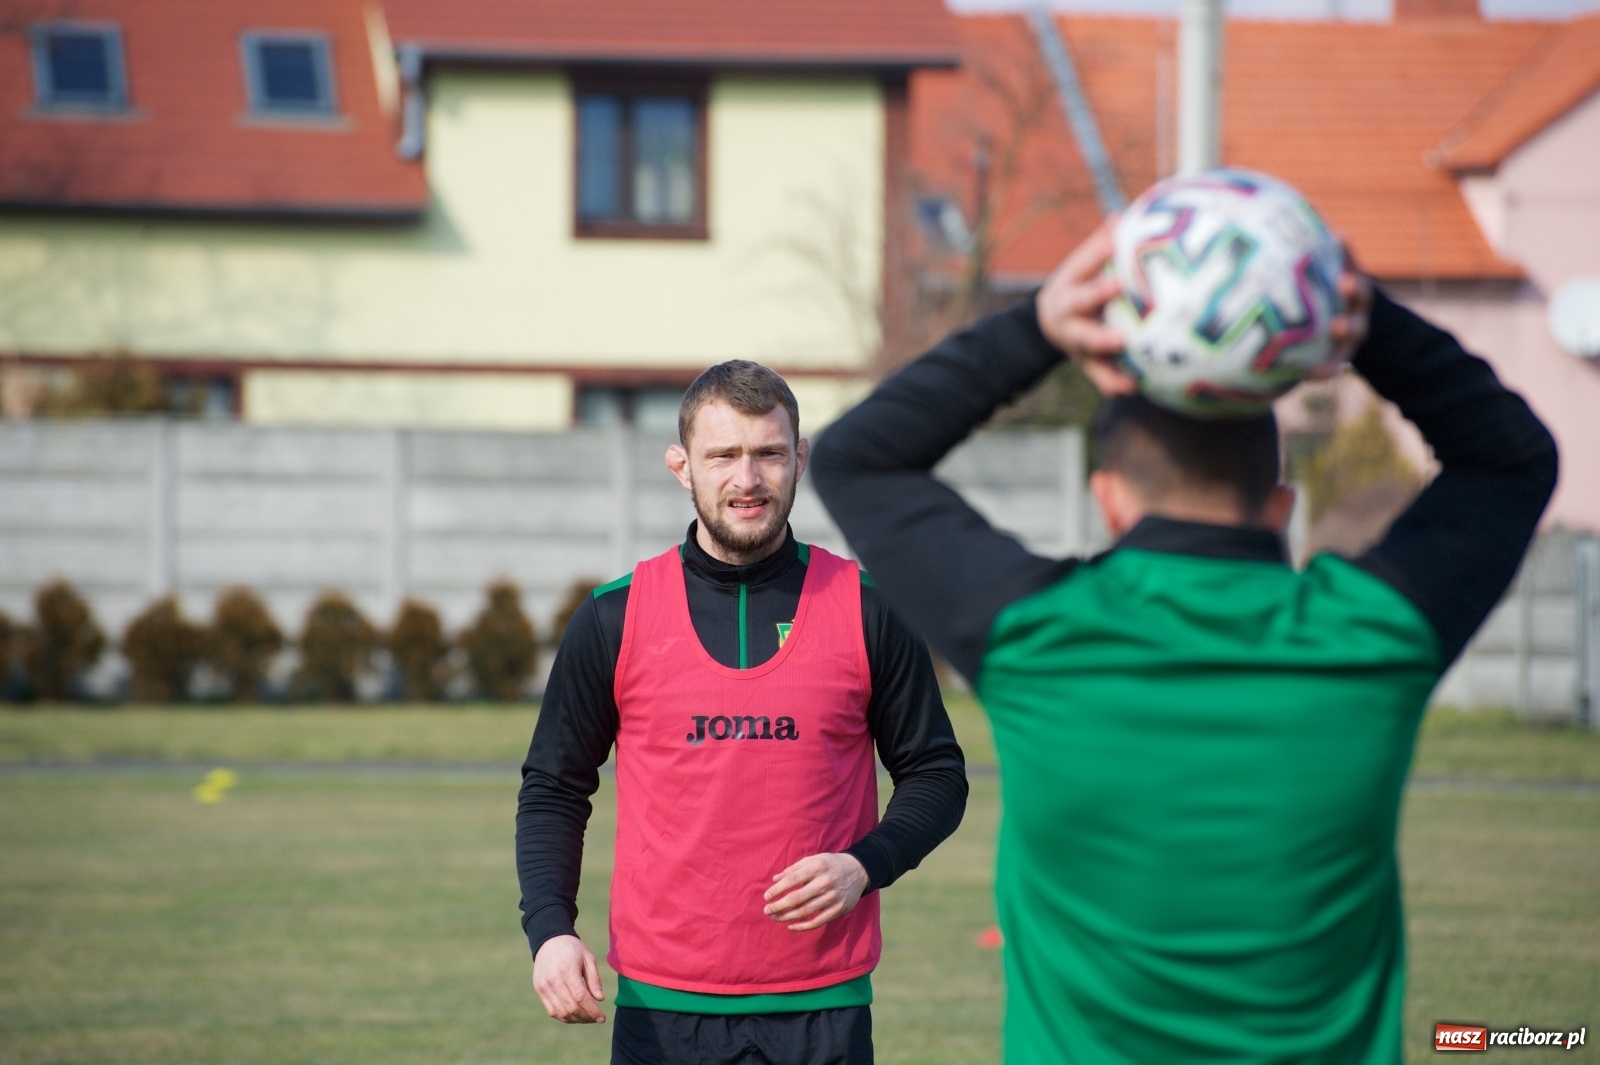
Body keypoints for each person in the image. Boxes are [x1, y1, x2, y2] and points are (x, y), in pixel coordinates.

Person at [810, 222, 1558, 1063]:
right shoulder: (1371, 637)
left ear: (1109, 500)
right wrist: (1367, 325)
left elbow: (857, 459)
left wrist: (1040, 327)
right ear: (1282, 508)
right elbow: (1513, 460)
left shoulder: (1038, 637)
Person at [517, 360, 968, 1065]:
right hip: (663, 1012)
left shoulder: (867, 608)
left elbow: (937, 774)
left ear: (800, 459)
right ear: (682, 466)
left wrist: (865, 864)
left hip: (823, 1007)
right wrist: (550, 929)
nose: (747, 478)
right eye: (723, 455)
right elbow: (554, 785)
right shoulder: (614, 616)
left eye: (769, 454)